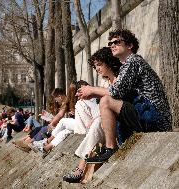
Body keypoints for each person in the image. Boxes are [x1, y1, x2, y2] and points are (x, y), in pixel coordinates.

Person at [79, 29, 172, 164]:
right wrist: (92, 93)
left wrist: (92, 89)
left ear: (129, 46)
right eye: (110, 43)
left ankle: (110, 149)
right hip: (146, 113)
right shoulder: (126, 66)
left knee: (106, 101)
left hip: (154, 117)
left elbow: (115, 92)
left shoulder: (133, 61)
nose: (112, 45)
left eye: (117, 42)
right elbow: (120, 93)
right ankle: (108, 148)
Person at [63, 47, 122, 183]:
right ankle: (82, 165)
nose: (97, 69)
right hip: (108, 117)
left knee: (96, 122)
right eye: (95, 66)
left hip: (119, 117)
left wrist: (93, 91)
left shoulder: (120, 77)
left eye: (99, 65)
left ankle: (80, 168)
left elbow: (117, 96)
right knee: (84, 108)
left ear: (109, 62)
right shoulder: (104, 81)